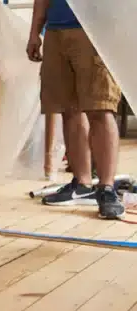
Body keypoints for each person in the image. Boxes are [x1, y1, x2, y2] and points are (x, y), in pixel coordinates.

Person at [28, 0, 126, 219]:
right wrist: (35, 32)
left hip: (95, 30)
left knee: (100, 108)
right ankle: (82, 184)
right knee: (69, 109)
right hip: (55, 31)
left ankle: (106, 189)